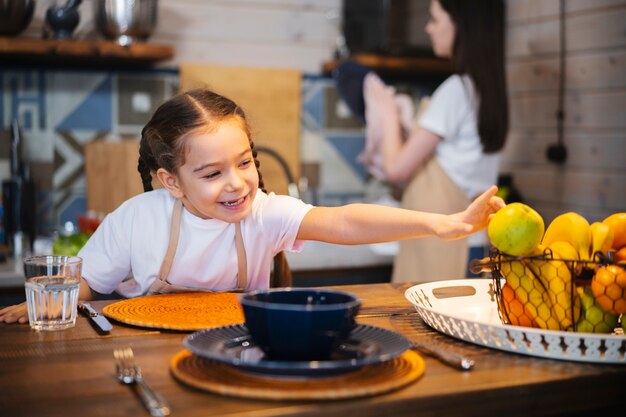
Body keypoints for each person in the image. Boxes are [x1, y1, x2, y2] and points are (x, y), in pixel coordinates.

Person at [0, 88, 504, 324]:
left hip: (240, 347)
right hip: (148, 351)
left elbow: (347, 219)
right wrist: (42, 304)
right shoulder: (137, 220)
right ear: (170, 182)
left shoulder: (264, 213)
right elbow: (91, 282)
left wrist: (444, 222)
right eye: (212, 172)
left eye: (244, 162)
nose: (238, 183)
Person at [360, 0, 508, 282]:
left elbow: (396, 169)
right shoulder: (484, 90)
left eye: (436, 20)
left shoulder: (455, 91)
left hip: (448, 248)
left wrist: (388, 113)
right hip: (475, 244)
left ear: (460, 26)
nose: (428, 28)